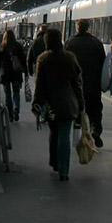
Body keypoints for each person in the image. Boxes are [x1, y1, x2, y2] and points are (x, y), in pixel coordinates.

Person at [32, 28, 83, 182]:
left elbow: (39, 85)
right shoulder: (70, 58)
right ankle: (64, 171)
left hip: (51, 104)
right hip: (68, 103)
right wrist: (81, 103)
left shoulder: (43, 59)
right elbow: (77, 83)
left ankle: (54, 162)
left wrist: (37, 103)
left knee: (54, 133)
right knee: (64, 136)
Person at [65, 19, 105, 148]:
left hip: (75, 85)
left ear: (77, 28)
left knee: (77, 111)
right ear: (89, 28)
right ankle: (95, 130)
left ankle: (77, 139)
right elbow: (103, 63)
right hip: (93, 85)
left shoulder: (69, 43)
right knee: (95, 110)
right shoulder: (97, 43)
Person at [0, 29, 28, 122]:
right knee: (16, 93)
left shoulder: (2, 47)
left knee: (7, 94)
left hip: (5, 74)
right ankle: (16, 109)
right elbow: (23, 60)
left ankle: (9, 115)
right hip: (16, 73)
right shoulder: (18, 46)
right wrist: (26, 72)